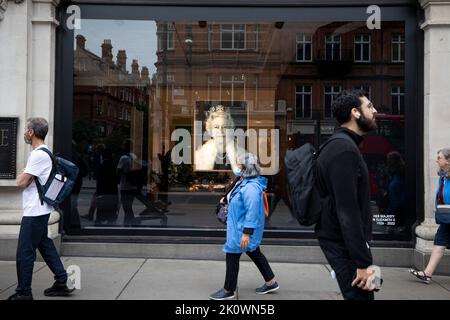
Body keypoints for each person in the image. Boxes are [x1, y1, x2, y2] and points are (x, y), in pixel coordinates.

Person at [314, 89, 378, 300]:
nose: (375, 110)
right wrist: (361, 262)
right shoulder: (343, 150)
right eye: (369, 106)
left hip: (344, 243)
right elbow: (347, 211)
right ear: (355, 112)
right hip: (344, 246)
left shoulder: (342, 145)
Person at [7, 117, 75, 300]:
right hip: (41, 210)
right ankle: (62, 281)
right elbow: (27, 179)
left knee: (24, 253)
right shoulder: (45, 152)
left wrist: (24, 175)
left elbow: (21, 181)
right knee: (45, 246)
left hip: (35, 211)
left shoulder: (38, 154)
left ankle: (23, 293)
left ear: (31, 132)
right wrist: (27, 176)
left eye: (26, 130)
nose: (23, 133)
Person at [209, 153, 279, 300]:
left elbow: (252, 212)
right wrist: (226, 199)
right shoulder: (244, 181)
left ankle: (229, 289)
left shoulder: (252, 188)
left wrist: (246, 233)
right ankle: (271, 282)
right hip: (238, 226)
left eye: (239, 163)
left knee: (232, 255)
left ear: (246, 167)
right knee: (254, 252)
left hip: (241, 229)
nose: (236, 166)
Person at [409, 148, 450, 283]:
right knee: (439, 242)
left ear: (448, 160)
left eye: (439, 157)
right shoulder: (442, 176)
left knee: (440, 242)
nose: (437, 160)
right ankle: (427, 274)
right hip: (446, 217)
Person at [195, 105, 245, 172]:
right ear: (210, 130)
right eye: (216, 127)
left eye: (224, 127)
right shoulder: (200, 155)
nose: (220, 131)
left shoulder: (242, 154)